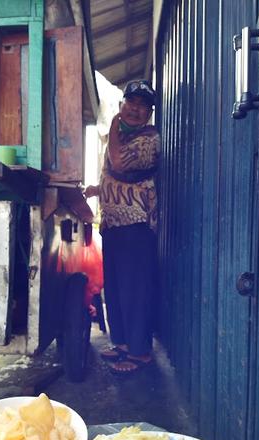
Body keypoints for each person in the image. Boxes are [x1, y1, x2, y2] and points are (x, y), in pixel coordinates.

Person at [85, 79, 161, 375]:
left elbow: (118, 163)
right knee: (115, 289)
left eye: (143, 105)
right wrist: (96, 189)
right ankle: (124, 344)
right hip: (114, 223)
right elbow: (114, 177)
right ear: (124, 102)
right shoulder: (122, 136)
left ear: (150, 113)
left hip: (136, 225)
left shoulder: (148, 139)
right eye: (132, 102)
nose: (135, 109)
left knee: (134, 289)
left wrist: (115, 122)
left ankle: (141, 352)